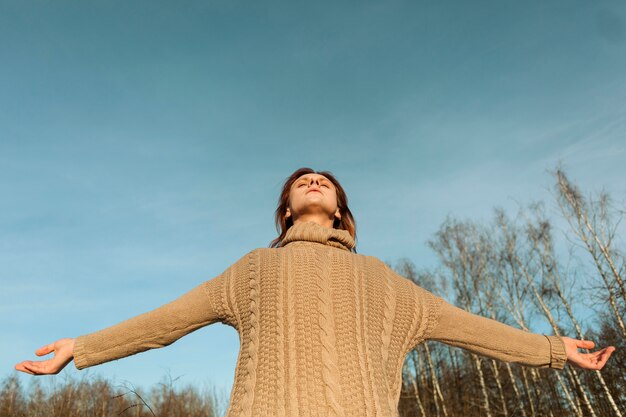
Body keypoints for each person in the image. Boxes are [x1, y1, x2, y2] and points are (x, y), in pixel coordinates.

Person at [16, 167, 615, 417]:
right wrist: (83, 347)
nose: (313, 180)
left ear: (340, 215)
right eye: (302, 181)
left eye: (325, 182)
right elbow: (167, 322)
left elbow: (474, 329)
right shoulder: (251, 271)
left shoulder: (386, 283)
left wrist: (553, 349)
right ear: (286, 210)